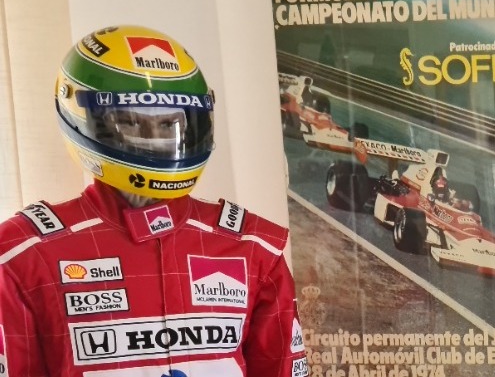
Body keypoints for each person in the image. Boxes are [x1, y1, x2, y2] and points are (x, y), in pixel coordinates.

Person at [0, 26, 308, 376]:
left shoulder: (252, 246)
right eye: (130, 122)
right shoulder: (23, 254)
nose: (156, 140)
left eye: (168, 123)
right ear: (85, 120)